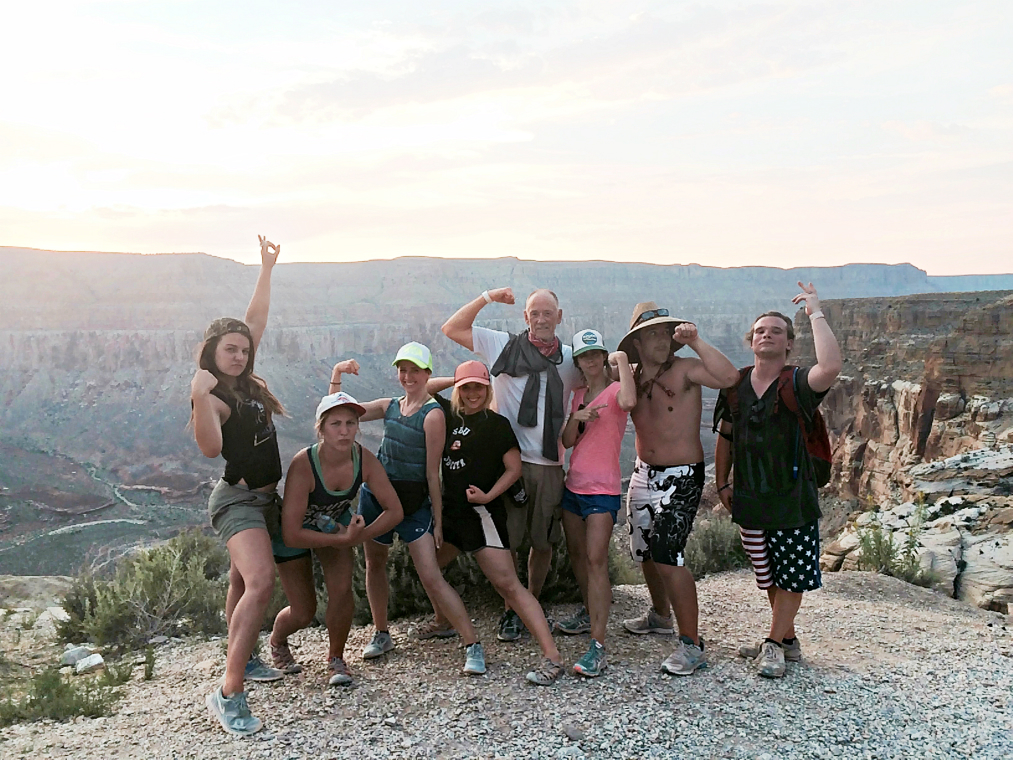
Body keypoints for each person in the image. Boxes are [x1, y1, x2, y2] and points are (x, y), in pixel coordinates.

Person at [329, 344, 485, 675]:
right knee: (375, 564)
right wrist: (337, 375)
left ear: (427, 373)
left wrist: (438, 521)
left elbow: (432, 472)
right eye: (403, 370)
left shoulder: (433, 415)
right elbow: (339, 411)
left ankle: (472, 645)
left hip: (414, 503)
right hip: (378, 497)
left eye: (415, 370)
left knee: (430, 574)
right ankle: (381, 632)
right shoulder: (390, 406)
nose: (408, 376)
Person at [714, 282, 842, 678]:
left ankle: (772, 644)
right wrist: (721, 484)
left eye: (776, 331)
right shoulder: (735, 384)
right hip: (750, 496)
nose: (766, 335)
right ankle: (786, 639)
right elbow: (726, 435)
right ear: (750, 341)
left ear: (788, 344)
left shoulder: (798, 382)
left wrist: (815, 312)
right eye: (760, 331)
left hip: (792, 496)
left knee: (792, 572)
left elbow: (832, 366)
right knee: (768, 573)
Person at [441, 288, 579, 642]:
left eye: (548, 313)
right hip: (509, 463)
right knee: (509, 542)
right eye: (535, 312)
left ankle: (530, 601)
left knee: (543, 542)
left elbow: (601, 377)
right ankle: (511, 611)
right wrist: (487, 297)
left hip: (550, 464)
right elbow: (452, 328)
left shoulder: (570, 359)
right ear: (526, 317)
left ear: (559, 317)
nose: (541, 319)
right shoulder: (504, 346)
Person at [191, 236, 287, 736]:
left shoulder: (246, 380)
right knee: (261, 583)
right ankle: (229, 691)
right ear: (212, 352)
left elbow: (257, 319)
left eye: (243, 350)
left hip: (267, 499)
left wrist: (266, 269)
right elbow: (209, 448)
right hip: (238, 500)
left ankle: (243, 658)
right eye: (230, 349)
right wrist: (198, 397)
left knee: (239, 582)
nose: (239, 354)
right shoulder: (216, 395)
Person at [425, 360, 566, 684]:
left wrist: (489, 496)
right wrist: (458, 376)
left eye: (479, 387)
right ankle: (442, 621)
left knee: (509, 586)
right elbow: (426, 389)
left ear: (488, 389)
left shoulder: (497, 424)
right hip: (451, 514)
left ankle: (552, 657)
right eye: (467, 388)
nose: (473, 393)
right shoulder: (449, 414)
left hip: (481, 516)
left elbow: (513, 469)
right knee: (429, 568)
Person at [617, 302, 739, 676]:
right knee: (645, 552)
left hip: (682, 475)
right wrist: (615, 362)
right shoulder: (630, 375)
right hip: (641, 474)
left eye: (665, 331)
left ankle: (691, 643)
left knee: (668, 553)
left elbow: (729, 376)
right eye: (652, 332)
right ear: (637, 341)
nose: (661, 339)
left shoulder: (685, 369)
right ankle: (659, 615)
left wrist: (697, 341)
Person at [267, 390, 403, 687]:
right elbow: (291, 532)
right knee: (303, 612)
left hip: (334, 526)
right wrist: (344, 540)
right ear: (321, 428)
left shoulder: (363, 459)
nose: (344, 431)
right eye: (336, 424)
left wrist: (360, 536)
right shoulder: (304, 464)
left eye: (351, 423)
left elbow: (395, 510)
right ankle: (277, 639)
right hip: (295, 533)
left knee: (341, 590)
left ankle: (336, 658)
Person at [554, 330, 636, 678]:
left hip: (602, 489)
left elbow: (630, 402)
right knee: (577, 555)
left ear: (603, 356)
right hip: (574, 486)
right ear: (578, 362)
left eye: (596, 354)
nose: (589, 361)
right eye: (583, 356)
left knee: (596, 559)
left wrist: (622, 361)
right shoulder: (577, 395)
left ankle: (598, 645)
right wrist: (578, 417)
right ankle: (590, 612)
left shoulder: (616, 390)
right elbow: (569, 441)